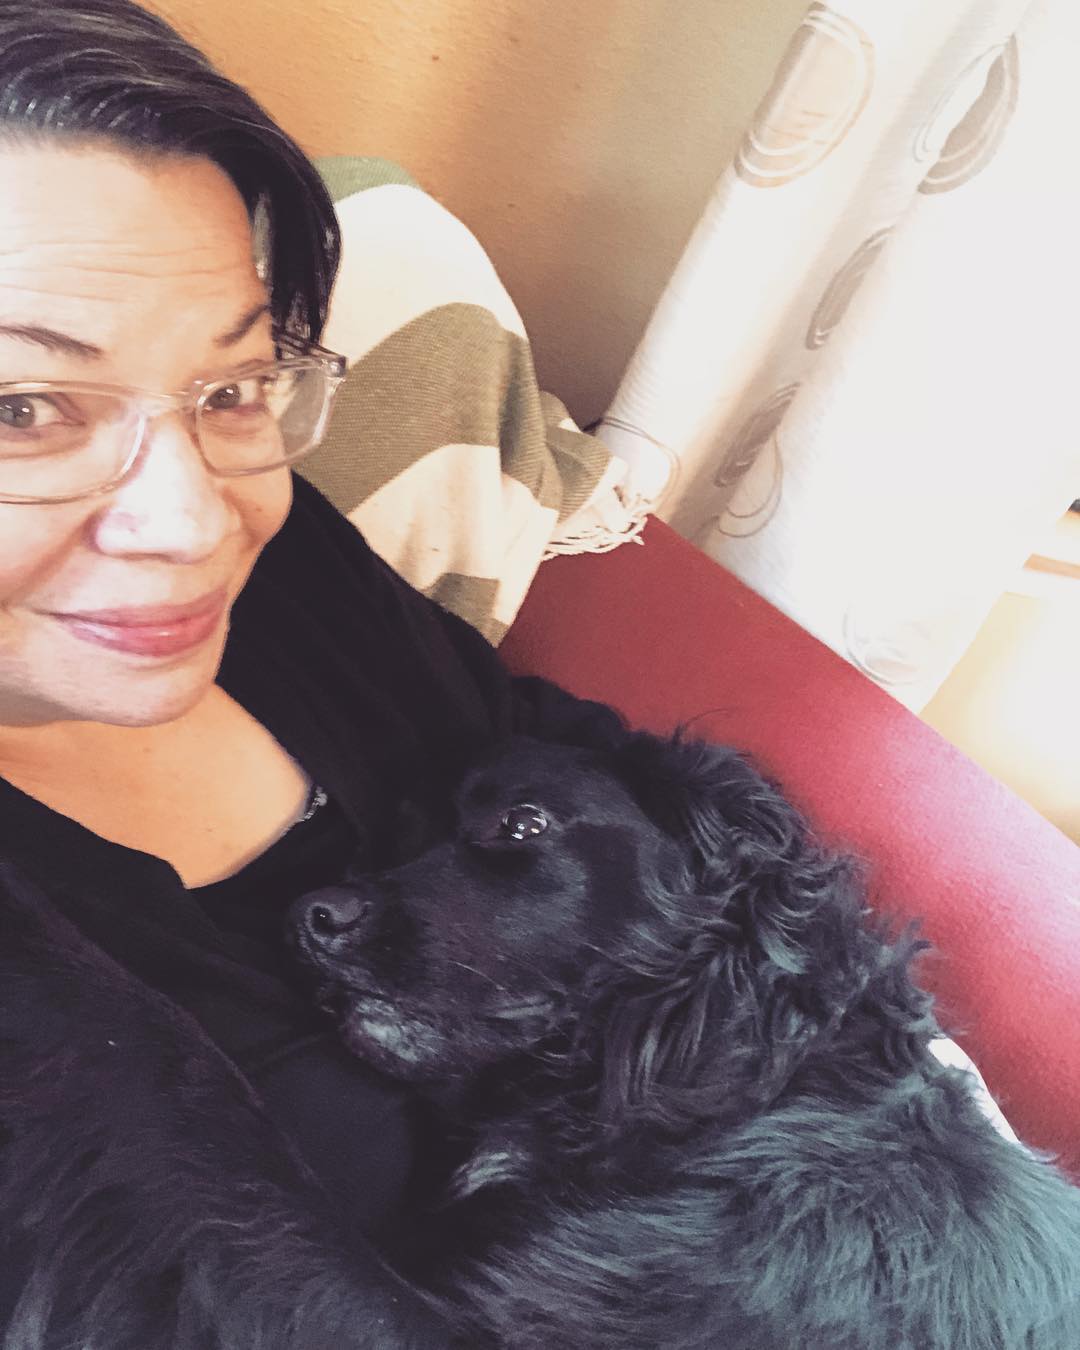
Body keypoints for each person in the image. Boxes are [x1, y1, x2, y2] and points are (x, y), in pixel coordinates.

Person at [0, 1, 617, 1343]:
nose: (194, 520)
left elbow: (543, 747)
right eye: (23, 409)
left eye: (231, 387)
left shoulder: (284, 567)